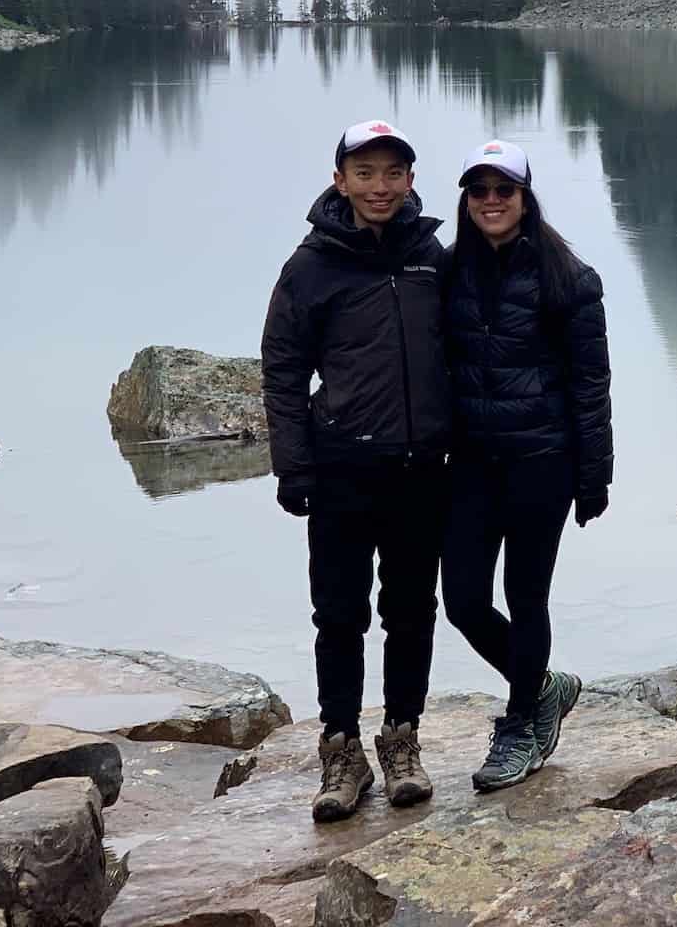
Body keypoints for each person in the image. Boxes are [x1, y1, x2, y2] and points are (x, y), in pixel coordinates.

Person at [260, 120, 452, 822]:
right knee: (339, 616)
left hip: (422, 469)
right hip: (343, 467)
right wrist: (293, 465)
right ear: (340, 180)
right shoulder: (310, 267)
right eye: (364, 173)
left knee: (411, 612)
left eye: (393, 173)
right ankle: (341, 753)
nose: (380, 187)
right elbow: (283, 372)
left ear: (410, 180)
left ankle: (402, 741)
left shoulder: (431, 255)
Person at [441, 139, 613, 792]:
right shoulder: (448, 272)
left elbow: (591, 385)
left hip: (543, 461)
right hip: (471, 465)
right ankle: (544, 686)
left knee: (525, 595)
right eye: (479, 190)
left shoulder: (569, 279)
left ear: (524, 196)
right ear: (467, 198)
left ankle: (520, 727)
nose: (490, 201)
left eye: (502, 190)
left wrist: (594, 474)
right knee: (460, 602)